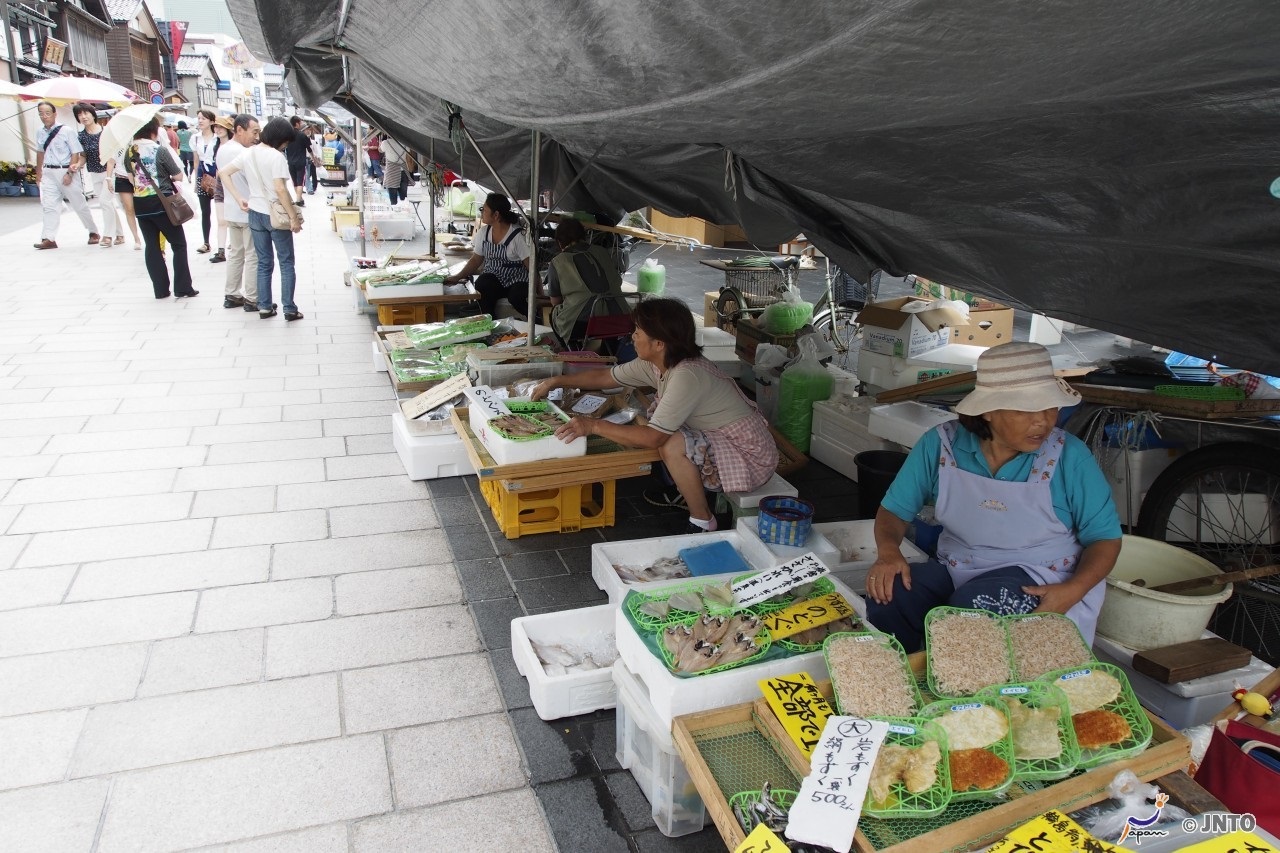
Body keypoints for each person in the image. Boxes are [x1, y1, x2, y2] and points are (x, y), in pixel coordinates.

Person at [863, 342, 1123, 650]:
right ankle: (906, 672)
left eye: (1050, 407)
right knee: (888, 591)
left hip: (1042, 577)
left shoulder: (1069, 457)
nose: (1043, 421)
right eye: (1025, 410)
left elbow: (1105, 538)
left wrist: (1073, 590)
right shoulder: (941, 445)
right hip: (958, 567)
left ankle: (961, 681)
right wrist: (889, 552)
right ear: (988, 411)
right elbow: (894, 511)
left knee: (972, 609)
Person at [530, 297, 777, 533]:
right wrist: (558, 380)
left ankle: (703, 520)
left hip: (748, 452)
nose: (632, 336)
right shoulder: (656, 363)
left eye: (638, 331)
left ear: (659, 343)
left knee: (669, 442)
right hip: (720, 435)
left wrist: (593, 426)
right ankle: (686, 488)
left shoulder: (686, 375)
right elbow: (605, 377)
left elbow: (652, 438)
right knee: (666, 434)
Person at [220, 116, 304, 321]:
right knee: (286, 262)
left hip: (255, 214)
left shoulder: (248, 153)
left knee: (264, 262)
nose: (285, 146)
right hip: (275, 215)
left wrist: (239, 198)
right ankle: (289, 309)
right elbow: (280, 190)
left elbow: (223, 173)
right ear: (280, 138)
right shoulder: (276, 157)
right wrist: (293, 217)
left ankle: (265, 306)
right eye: (285, 141)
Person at [124, 116, 196, 299]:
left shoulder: (129, 152)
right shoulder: (160, 150)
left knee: (152, 246)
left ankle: (160, 290)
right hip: (162, 203)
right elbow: (179, 176)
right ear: (153, 131)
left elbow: (131, 179)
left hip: (140, 204)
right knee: (178, 244)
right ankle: (183, 287)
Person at [442, 193, 536, 318]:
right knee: (483, 283)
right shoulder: (484, 233)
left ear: (496, 215)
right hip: (495, 278)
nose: (481, 212)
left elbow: (531, 266)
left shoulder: (517, 236)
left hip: (517, 279)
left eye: (484, 209)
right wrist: (458, 277)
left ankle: (536, 319)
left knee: (517, 296)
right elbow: (476, 260)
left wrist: (539, 292)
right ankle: (490, 321)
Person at [544, 218, 626, 349]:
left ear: (559, 242)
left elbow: (556, 302)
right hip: (620, 318)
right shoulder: (602, 252)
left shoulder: (558, 262)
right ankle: (608, 355)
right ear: (584, 236)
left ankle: (573, 352)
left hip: (583, 324)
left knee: (555, 314)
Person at [32, 100, 99, 250]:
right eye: (41, 114)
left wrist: (70, 172)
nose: (44, 116)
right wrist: (39, 173)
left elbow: (76, 152)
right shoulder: (39, 132)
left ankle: (93, 231)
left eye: (47, 113)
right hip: (48, 171)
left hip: (65, 170)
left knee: (79, 203)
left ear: (55, 114)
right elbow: (40, 152)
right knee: (49, 206)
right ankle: (48, 238)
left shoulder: (66, 130)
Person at [73, 103, 121, 250]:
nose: (83, 116)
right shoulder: (80, 136)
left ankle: (107, 236)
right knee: (108, 204)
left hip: (109, 172)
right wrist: (77, 164)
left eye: (86, 113)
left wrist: (108, 175)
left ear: (93, 114)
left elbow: (113, 155)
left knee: (104, 201)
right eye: (80, 114)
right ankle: (120, 234)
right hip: (94, 172)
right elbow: (83, 156)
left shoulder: (105, 131)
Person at [190, 109, 219, 254]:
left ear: (212, 121)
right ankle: (206, 242)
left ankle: (226, 241)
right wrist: (196, 181)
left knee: (222, 210)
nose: (200, 121)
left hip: (217, 174)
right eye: (199, 118)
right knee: (205, 211)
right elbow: (195, 161)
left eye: (204, 118)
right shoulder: (195, 138)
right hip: (203, 175)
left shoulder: (218, 138)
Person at [206, 116, 233, 263]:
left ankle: (234, 245)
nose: (218, 129)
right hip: (220, 184)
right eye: (216, 127)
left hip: (234, 184)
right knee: (221, 219)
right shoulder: (214, 145)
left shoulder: (234, 146)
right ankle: (221, 250)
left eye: (221, 127)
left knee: (233, 219)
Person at [284, 116, 312, 207]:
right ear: (296, 123)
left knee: (295, 181)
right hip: (300, 162)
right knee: (300, 182)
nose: (301, 124)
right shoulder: (302, 135)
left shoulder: (287, 136)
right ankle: (298, 200)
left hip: (290, 162)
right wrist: (314, 158)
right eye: (300, 123)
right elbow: (309, 148)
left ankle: (300, 198)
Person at [379, 134, 410, 206]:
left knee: (393, 201)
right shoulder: (405, 143)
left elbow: (380, 150)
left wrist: (380, 144)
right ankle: (404, 214)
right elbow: (408, 154)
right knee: (403, 200)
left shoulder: (386, 143)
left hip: (392, 173)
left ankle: (395, 211)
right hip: (403, 172)